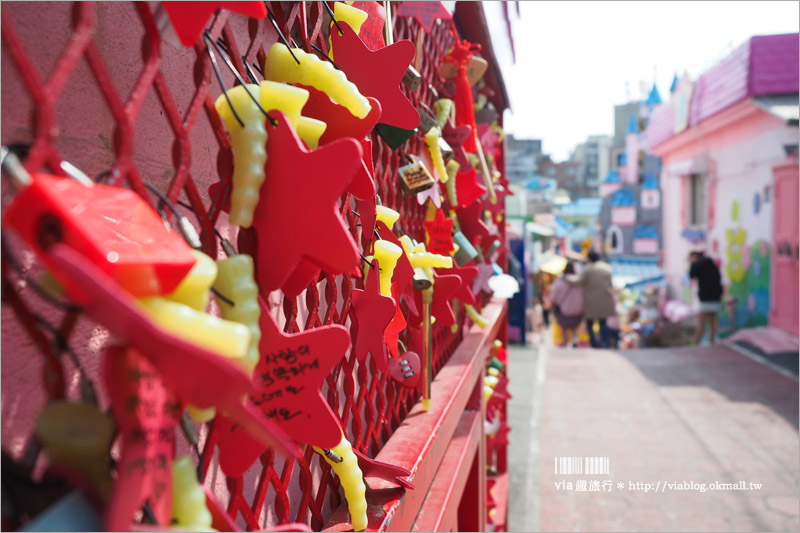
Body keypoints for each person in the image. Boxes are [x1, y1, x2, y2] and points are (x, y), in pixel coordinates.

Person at [569, 250, 616, 348]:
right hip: (605, 300)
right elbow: (611, 285)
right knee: (603, 323)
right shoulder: (607, 268)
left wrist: (567, 278)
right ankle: (605, 342)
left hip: (591, 301)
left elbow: (579, 281)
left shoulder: (587, 269)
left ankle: (594, 344)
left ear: (589, 258)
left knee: (590, 323)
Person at [689, 251, 723, 344]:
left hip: (705, 299)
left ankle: (696, 342)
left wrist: (693, 263)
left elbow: (691, 274)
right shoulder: (713, 266)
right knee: (712, 322)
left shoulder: (699, 266)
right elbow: (719, 281)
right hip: (716, 299)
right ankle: (712, 342)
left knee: (701, 322)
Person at [549, 262, 584, 348]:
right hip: (577, 308)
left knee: (564, 328)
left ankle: (565, 343)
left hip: (564, 309)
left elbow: (554, 295)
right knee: (575, 327)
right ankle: (575, 340)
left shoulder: (560, 281)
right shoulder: (579, 281)